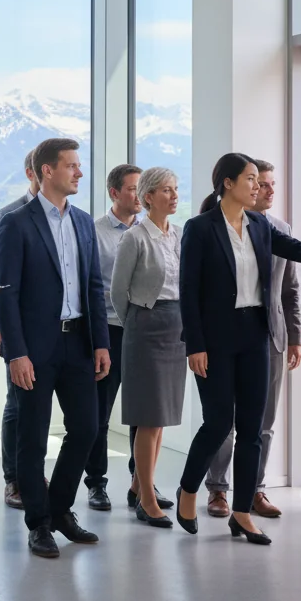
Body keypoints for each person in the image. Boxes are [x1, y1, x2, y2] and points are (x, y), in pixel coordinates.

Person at [175, 153, 301, 546]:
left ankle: (241, 512)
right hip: (216, 341)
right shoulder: (199, 228)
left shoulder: (261, 226)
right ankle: (189, 489)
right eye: (251, 179)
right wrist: (195, 345)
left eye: (258, 179)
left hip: (257, 334)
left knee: (252, 428)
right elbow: (188, 291)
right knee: (218, 423)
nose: (258, 186)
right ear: (228, 183)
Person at [0, 137, 111, 558]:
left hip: (79, 343)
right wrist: (16, 353)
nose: (79, 172)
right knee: (33, 438)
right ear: (47, 170)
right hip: (35, 350)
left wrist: (100, 342)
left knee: (86, 429)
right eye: (72, 166)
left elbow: (94, 285)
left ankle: (60, 508)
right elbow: (5, 295)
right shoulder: (15, 222)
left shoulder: (82, 222)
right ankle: (39, 522)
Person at [204, 159, 301, 520]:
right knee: (224, 421)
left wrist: (295, 336)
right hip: (230, 339)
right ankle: (217, 489)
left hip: (270, 338)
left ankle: (254, 489)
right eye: (263, 183)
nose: (270, 190)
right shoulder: (218, 229)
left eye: (273, 184)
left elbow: (291, 289)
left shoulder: (281, 228)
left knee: (264, 421)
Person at [110, 167, 185, 529]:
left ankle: (140, 485)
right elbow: (117, 292)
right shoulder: (135, 238)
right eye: (166, 190)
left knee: (163, 417)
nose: (173, 196)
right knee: (149, 418)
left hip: (176, 326)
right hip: (145, 326)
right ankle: (147, 499)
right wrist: (137, 325)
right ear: (148, 196)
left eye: (175, 189)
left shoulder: (179, 235)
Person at [87, 163, 142, 512]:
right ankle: (96, 484)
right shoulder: (94, 232)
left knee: (143, 413)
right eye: (134, 188)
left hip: (144, 332)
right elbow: (91, 289)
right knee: (99, 414)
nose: (140, 195)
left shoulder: (153, 231)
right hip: (109, 331)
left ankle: (141, 484)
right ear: (114, 192)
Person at [0, 149, 41, 510]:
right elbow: (3, 282)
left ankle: (32, 473)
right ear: (34, 172)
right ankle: (14, 478)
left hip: (55, 334)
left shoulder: (72, 218)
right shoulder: (10, 215)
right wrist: (5, 333)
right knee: (16, 405)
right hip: (19, 331)